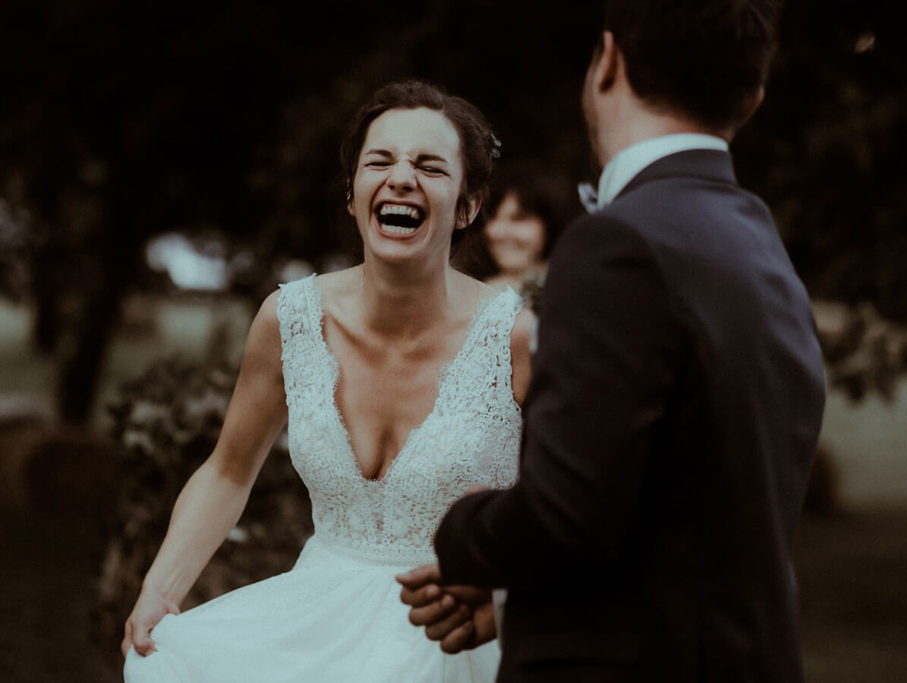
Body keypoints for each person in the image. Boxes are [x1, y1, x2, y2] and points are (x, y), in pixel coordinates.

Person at [398, 1, 826, 681]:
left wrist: (461, 532)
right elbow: (691, 509)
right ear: (753, 96)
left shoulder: (619, 243)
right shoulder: (755, 237)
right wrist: (522, 606)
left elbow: (567, 514)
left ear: (607, 62)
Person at [122, 80, 534, 682]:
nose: (400, 178)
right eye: (380, 161)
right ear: (351, 193)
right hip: (315, 629)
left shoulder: (519, 339)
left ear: (467, 206)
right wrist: (161, 586)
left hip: (458, 639)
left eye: (429, 166)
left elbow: (578, 507)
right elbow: (228, 470)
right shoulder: (288, 320)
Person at [478, 168, 570, 311]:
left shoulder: (573, 288)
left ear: (549, 224)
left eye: (519, 218)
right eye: (493, 217)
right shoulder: (473, 296)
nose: (499, 232)